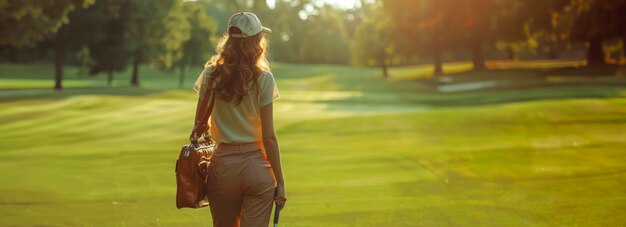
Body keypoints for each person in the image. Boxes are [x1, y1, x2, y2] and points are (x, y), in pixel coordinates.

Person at [192, 12, 287, 227]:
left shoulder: (210, 74)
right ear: (257, 42)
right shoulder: (264, 77)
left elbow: (200, 124)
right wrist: (280, 183)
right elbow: (269, 137)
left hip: (222, 165)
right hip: (257, 166)